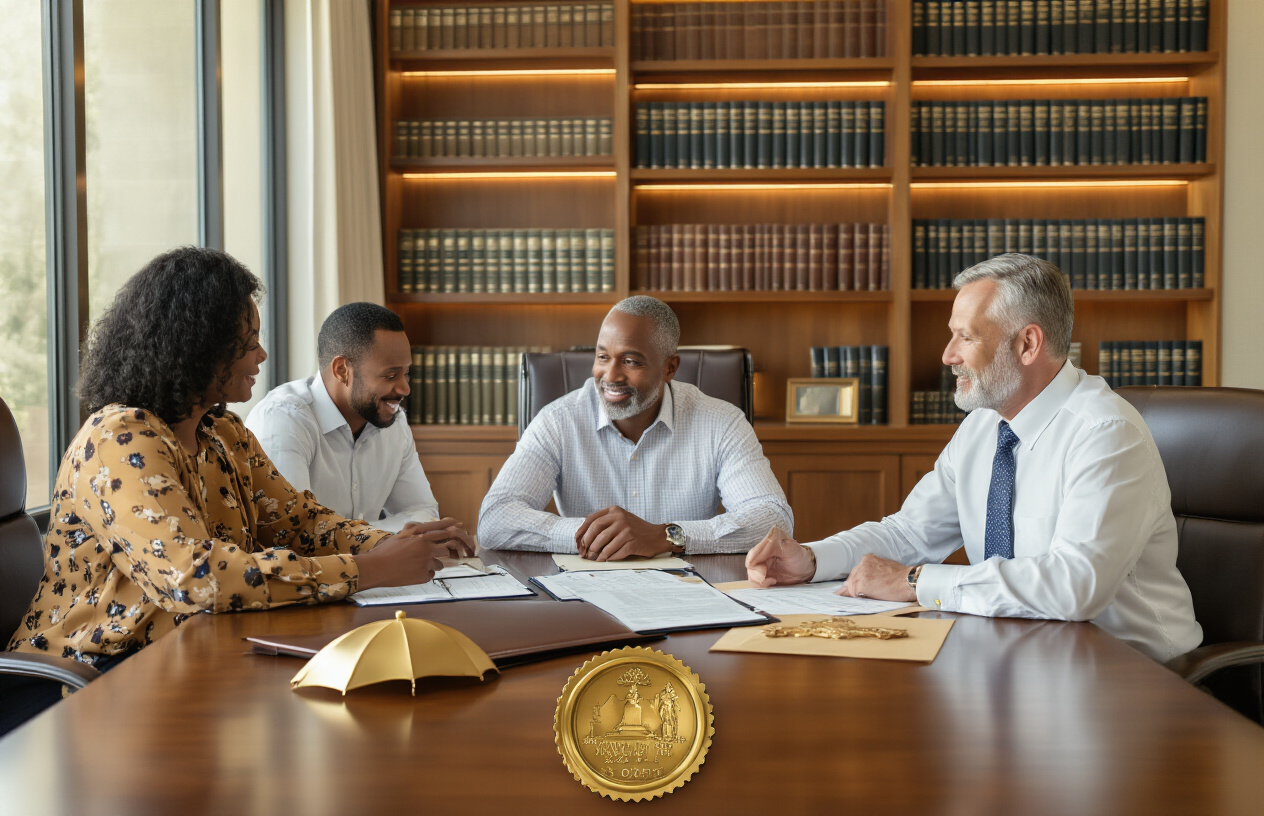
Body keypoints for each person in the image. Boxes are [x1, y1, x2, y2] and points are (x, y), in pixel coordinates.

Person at [6, 248, 467, 680]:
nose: (261, 356)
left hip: (186, 656)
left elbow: (301, 524)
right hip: (94, 677)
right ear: (197, 349)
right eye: (248, 343)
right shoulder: (120, 438)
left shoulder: (223, 432)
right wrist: (373, 568)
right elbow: (194, 578)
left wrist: (401, 543)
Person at [746, 254, 1201, 662]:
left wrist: (916, 581)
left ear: (1028, 344)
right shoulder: (984, 426)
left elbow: (1074, 586)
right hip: (1025, 656)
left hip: (1133, 674)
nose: (948, 356)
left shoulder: (1105, 434)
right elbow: (910, 531)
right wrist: (811, 558)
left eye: (966, 337)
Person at [478, 295, 793, 560]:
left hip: (688, 593)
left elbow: (773, 519)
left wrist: (666, 536)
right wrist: (596, 536)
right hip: (586, 593)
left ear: (669, 368)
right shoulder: (558, 420)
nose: (611, 376)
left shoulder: (721, 422)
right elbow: (495, 519)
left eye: (631, 361)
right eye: (603, 357)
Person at [246, 302, 469, 542]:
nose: (405, 388)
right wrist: (385, 540)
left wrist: (373, 539)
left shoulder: (394, 423)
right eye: (390, 375)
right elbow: (295, 534)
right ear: (342, 370)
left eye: (406, 373)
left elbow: (422, 512)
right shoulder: (283, 419)